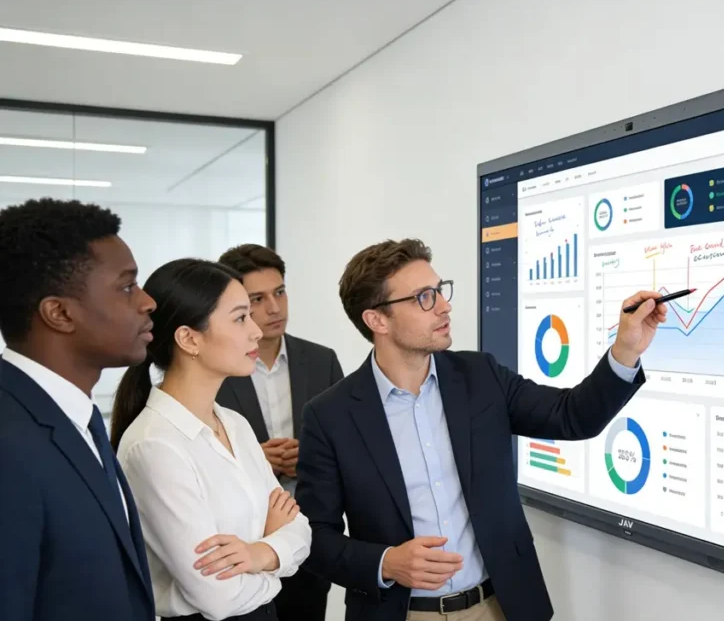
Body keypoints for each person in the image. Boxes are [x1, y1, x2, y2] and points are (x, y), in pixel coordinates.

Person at [296, 238, 666, 621]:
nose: (444, 305)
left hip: (499, 607)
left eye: (440, 291)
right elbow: (313, 539)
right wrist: (386, 562)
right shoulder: (330, 416)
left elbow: (572, 415)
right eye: (424, 297)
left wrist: (626, 350)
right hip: (403, 613)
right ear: (377, 320)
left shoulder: (481, 377)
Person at [110, 258, 312, 621]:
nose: (256, 331)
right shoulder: (154, 445)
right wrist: (276, 555)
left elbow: (300, 528)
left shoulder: (234, 423)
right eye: (240, 318)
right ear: (189, 338)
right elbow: (217, 596)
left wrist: (258, 554)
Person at [0, 197, 157, 621]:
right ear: (60, 313)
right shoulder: (9, 443)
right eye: (127, 286)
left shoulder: (76, 418)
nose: (147, 302)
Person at [216, 243, 344, 621]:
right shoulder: (219, 366)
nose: (274, 308)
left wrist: (311, 455)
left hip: (308, 534)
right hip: (241, 542)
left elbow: (346, 445)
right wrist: (256, 458)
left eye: (280, 292)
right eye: (257, 298)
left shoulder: (322, 360)